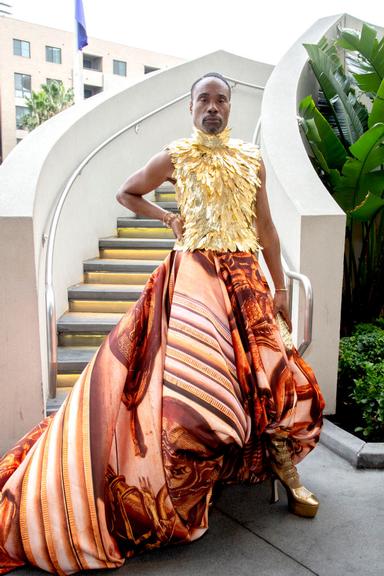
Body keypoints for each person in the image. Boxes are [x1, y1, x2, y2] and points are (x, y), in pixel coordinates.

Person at [0, 72, 324, 575]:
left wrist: (280, 287)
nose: (212, 107)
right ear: (190, 107)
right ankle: (184, 482)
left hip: (244, 280)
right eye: (203, 100)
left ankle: (287, 472)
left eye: (220, 99)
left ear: (230, 107)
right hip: (192, 280)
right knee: (194, 389)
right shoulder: (176, 155)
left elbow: (267, 230)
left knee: (269, 376)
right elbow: (127, 192)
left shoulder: (252, 159)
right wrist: (167, 219)